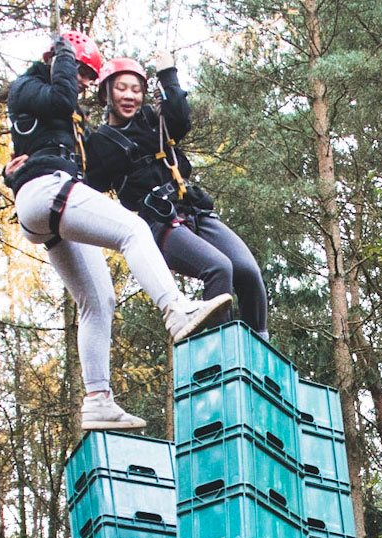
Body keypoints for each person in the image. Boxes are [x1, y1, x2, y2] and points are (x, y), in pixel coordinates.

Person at [4, 31, 232, 430]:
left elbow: (60, 154)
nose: (83, 83)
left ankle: (97, 399)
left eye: (89, 77)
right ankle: (175, 309)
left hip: (50, 203)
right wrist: (63, 51)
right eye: (82, 73)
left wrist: (12, 176)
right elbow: (59, 99)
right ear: (60, 61)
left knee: (97, 299)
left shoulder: (70, 122)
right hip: (46, 192)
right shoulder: (29, 86)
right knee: (133, 229)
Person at [84, 55, 269, 340]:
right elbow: (85, 182)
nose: (130, 96)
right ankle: (223, 355)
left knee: (248, 272)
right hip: (160, 223)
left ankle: (259, 349)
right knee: (219, 268)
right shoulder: (99, 143)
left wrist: (167, 72)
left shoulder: (151, 119)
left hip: (193, 209)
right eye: (122, 88)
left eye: (136, 89)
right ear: (106, 92)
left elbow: (180, 117)